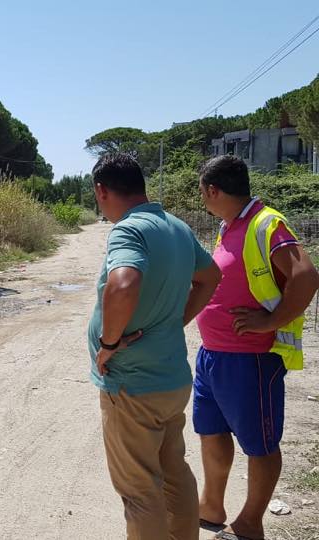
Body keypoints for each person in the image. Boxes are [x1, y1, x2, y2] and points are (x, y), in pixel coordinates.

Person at [88, 153, 221, 540]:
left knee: (139, 491)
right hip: (170, 380)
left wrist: (108, 342)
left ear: (102, 190)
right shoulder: (175, 227)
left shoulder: (129, 230)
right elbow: (210, 277)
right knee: (174, 474)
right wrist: (174, 320)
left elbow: (124, 284)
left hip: (133, 385)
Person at [194, 155, 319, 540]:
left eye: (202, 193)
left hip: (250, 360)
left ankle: (249, 523)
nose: (202, 199)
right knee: (211, 432)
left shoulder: (267, 223)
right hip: (212, 355)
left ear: (213, 190)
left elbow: (306, 275)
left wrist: (270, 321)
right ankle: (211, 508)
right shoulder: (228, 226)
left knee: (260, 444)